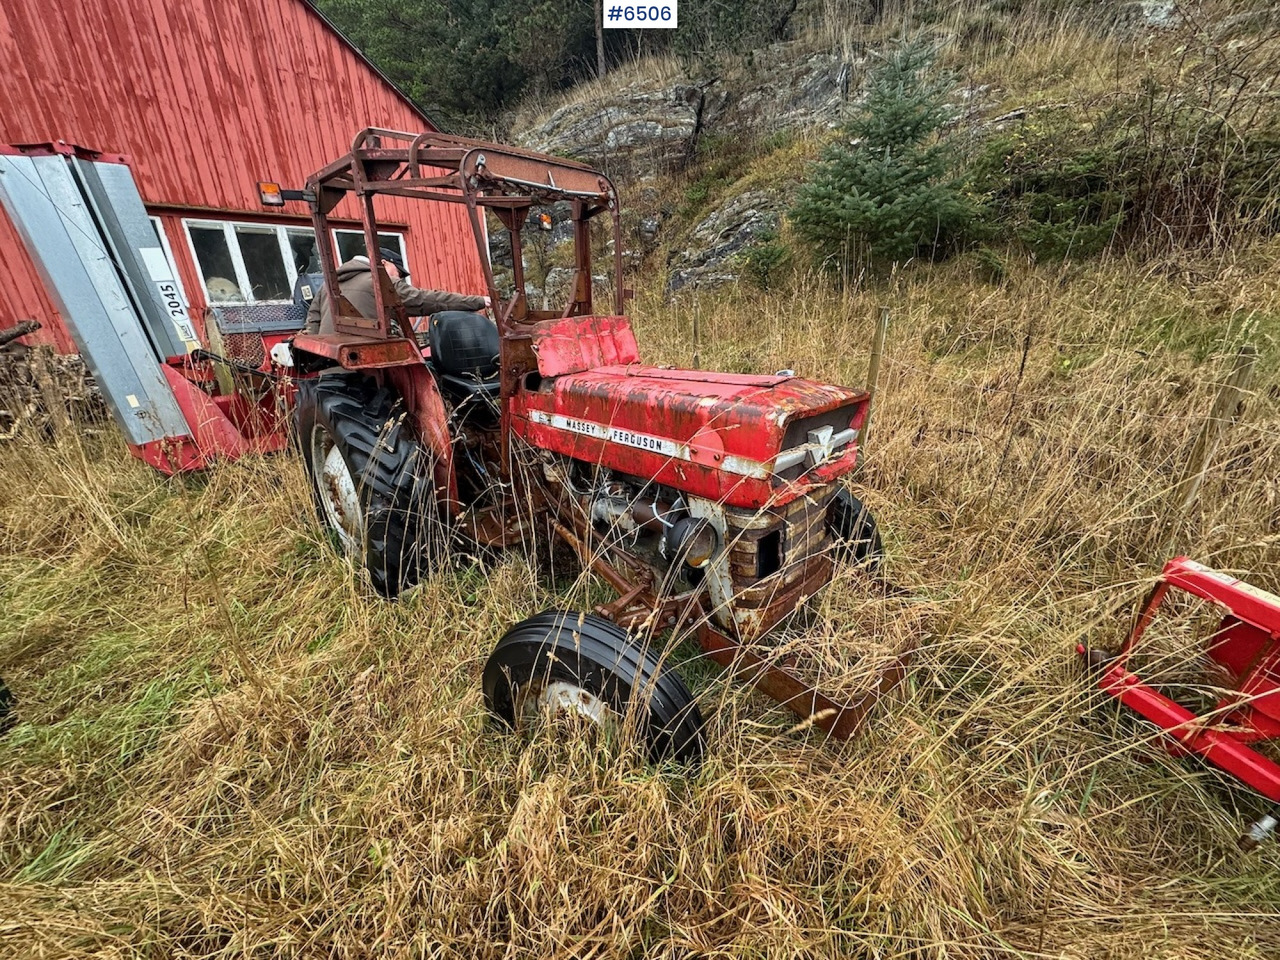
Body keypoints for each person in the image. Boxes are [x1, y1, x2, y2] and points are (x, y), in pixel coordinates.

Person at [304, 247, 489, 336]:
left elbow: (313, 322)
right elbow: (426, 300)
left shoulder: (327, 285)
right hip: (365, 369)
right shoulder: (379, 282)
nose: (399, 278)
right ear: (383, 263)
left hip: (329, 367)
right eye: (398, 273)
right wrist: (478, 301)